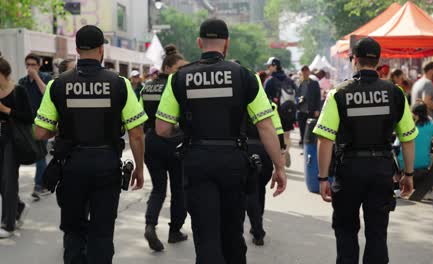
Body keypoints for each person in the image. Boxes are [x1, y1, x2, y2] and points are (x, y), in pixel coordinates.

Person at [155, 18, 286, 264]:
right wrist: (279, 166)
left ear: (199, 42)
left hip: (197, 162)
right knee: (232, 232)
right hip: (233, 163)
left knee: (206, 236)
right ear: (226, 44)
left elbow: (162, 128)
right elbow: (266, 127)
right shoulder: (245, 76)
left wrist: (187, 132)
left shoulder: (179, 78)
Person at [33, 25, 147, 264]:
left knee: (74, 231)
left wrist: (61, 126)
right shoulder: (120, 84)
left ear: (77, 50)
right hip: (107, 166)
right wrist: (138, 168)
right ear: (101, 50)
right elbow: (136, 133)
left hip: (71, 167)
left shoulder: (57, 85)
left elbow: (40, 131)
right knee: (102, 232)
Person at [314, 37, 417, 264]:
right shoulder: (395, 93)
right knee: (377, 233)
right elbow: (408, 139)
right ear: (379, 62)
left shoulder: (338, 94)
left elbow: (325, 139)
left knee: (346, 230)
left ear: (354, 61)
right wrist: (408, 174)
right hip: (381, 171)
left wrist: (323, 177)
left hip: (349, 171)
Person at [141, 44, 188, 252]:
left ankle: (150, 225)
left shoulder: (147, 86)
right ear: (168, 67)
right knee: (178, 189)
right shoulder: (176, 86)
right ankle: (174, 231)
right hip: (174, 140)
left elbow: (142, 117)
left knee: (158, 188)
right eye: (180, 69)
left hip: (151, 141)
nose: (183, 73)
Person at [0, 53, 33, 238]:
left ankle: (8, 224)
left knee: (9, 181)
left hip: (13, 140)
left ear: (3, 73)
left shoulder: (18, 90)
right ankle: (18, 206)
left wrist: (6, 110)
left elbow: (29, 117)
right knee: (1, 182)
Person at [245, 101, 285, 246]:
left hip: (243, 150)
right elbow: (278, 134)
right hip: (265, 151)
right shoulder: (269, 106)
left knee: (248, 192)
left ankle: (257, 228)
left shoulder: (237, 99)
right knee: (259, 189)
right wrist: (279, 164)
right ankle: (257, 224)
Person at [18, 53, 52, 200]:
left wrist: (36, 77)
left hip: (42, 123)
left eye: (33, 65)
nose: (30, 68)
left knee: (40, 154)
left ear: (38, 66)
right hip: (26, 124)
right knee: (31, 153)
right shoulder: (22, 82)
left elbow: (46, 93)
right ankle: (44, 183)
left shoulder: (46, 78)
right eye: (28, 65)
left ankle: (39, 186)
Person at [396, 103, 433, 201]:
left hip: (403, 164)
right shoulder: (430, 124)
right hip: (422, 164)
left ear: (415, 114)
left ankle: (401, 187)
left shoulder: (406, 124)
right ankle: (427, 188)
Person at [264, 57, 297, 167]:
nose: (268, 68)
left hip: (275, 114)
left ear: (274, 66)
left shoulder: (270, 81)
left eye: (269, 66)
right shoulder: (289, 80)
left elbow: (263, 98)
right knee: (287, 135)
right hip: (288, 111)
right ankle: (286, 151)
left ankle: (280, 156)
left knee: (276, 136)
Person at [296, 65, 321, 145]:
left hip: (311, 110)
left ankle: (310, 147)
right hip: (301, 110)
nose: (305, 72)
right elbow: (295, 96)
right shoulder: (299, 83)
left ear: (309, 72)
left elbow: (318, 97)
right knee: (302, 130)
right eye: (303, 71)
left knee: (311, 131)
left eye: (306, 71)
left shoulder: (314, 83)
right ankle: (304, 147)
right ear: (301, 72)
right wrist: (299, 100)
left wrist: (317, 109)